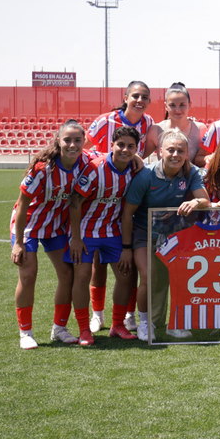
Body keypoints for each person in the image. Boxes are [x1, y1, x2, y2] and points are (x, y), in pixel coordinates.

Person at [120, 128, 219, 341]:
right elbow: (127, 214)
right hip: (143, 233)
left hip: (172, 235)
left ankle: (174, 323)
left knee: (178, 278)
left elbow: (205, 201)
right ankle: (146, 324)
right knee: (149, 277)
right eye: (171, 150)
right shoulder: (145, 176)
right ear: (161, 152)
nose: (175, 155)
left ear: (186, 154)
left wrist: (195, 201)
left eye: (180, 151)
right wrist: (127, 248)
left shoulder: (191, 172)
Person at [11, 119, 97, 349]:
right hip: (28, 226)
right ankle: (25, 332)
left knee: (67, 274)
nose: (72, 145)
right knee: (28, 275)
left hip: (56, 226)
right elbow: (21, 206)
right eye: (67, 140)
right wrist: (18, 243)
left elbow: (111, 155)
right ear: (58, 141)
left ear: (84, 141)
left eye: (77, 140)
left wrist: (138, 160)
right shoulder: (42, 168)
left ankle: (59, 328)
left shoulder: (87, 161)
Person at [86, 80, 157, 332]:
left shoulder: (148, 123)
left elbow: (143, 153)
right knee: (97, 263)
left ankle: (126, 316)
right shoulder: (106, 120)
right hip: (99, 190)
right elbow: (85, 148)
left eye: (144, 97)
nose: (140, 100)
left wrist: (136, 158)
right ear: (125, 97)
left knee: (125, 266)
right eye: (135, 96)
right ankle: (98, 314)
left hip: (125, 191)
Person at [67, 126, 141, 345]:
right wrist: (76, 238)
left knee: (126, 276)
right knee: (81, 278)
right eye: (120, 145)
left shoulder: (135, 170)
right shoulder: (95, 169)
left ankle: (117, 325)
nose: (125, 150)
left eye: (131, 147)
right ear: (111, 146)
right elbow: (75, 203)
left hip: (113, 232)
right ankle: (83, 329)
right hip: (86, 232)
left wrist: (127, 247)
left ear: (136, 149)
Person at [145, 82, 206, 163]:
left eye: (182, 105)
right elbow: (141, 156)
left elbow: (205, 159)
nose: (177, 110)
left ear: (189, 105)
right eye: (172, 105)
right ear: (166, 106)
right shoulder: (156, 130)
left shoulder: (200, 129)